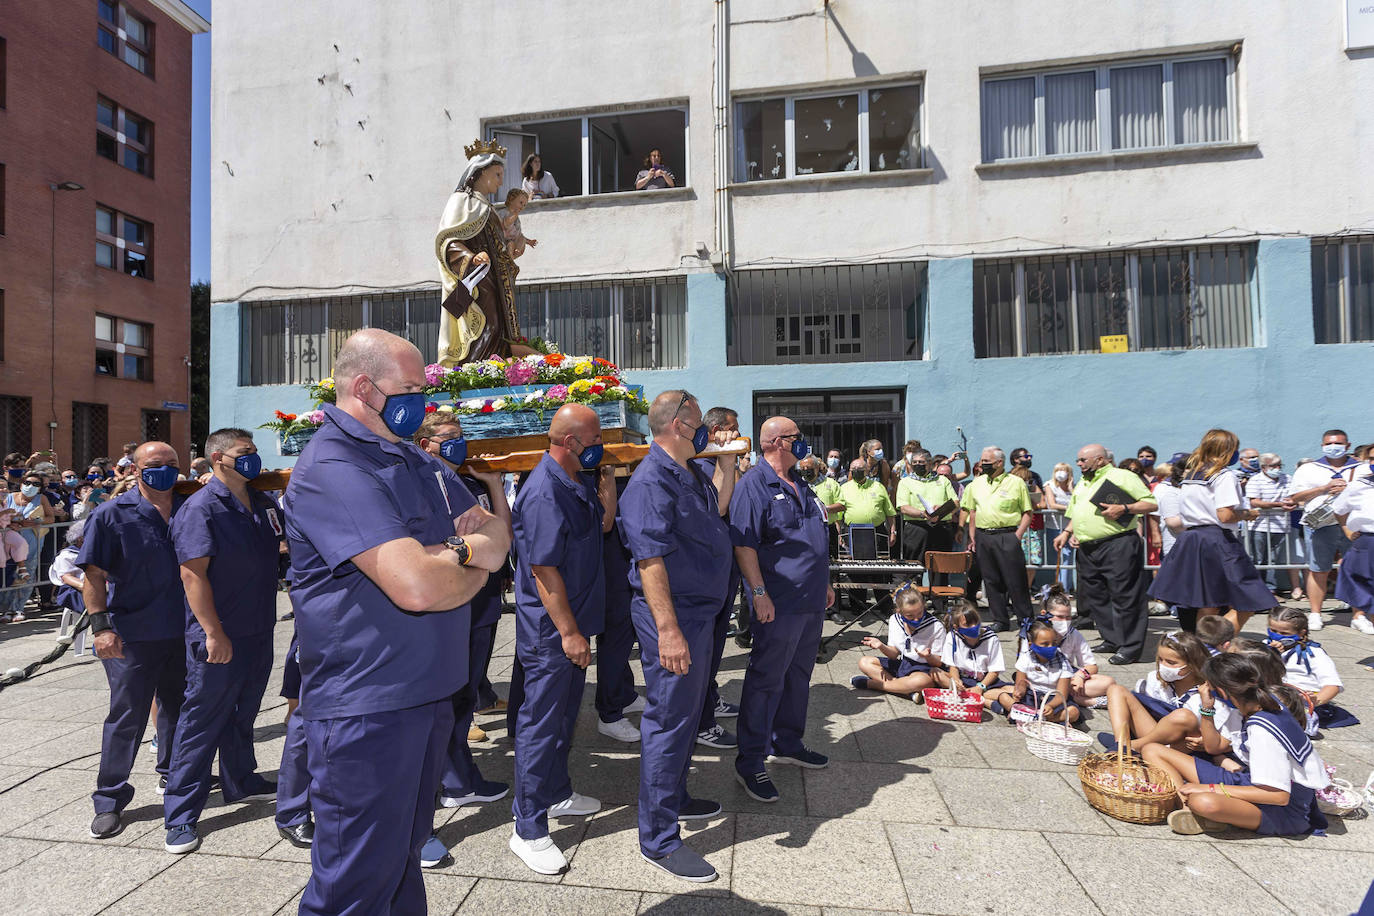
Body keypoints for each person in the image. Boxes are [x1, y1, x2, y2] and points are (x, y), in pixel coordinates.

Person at [283, 329, 511, 916]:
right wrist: (467, 556)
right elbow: (416, 586)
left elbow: (495, 534)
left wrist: (462, 557)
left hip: (428, 692)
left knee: (403, 861)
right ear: (364, 387)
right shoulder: (334, 466)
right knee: (355, 885)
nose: (423, 403)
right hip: (369, 707)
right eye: (411, 389)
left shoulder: (412, 457)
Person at [618, 390, 731, 883]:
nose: (707, 426)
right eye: (698, 419)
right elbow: (650, 561)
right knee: (668, 720)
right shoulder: (649, 481)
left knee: (685, 717)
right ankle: (659, 838)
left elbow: (719, 511)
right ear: (679, 425)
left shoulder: (691, 472)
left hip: (700, 614)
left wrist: (725, 462)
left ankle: (677, 797)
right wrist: (668, 632)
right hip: (675, 618)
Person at [506, 404, 617, 875]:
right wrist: (569, 632)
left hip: (576, 625)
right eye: (594, 440)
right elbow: (542, 567)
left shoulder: (577, 480)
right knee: (541, 724)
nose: (600, 447)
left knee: (565, 716)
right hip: (553, 632)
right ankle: (527, 828)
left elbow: (604, 527)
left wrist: (607, 479)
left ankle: (554, 794)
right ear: (570, 442)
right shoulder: (545, 490)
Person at [161, 429, 282, 854]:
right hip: (220, 633)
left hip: (258, 627)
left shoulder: (262, 502)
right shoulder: (202, 508)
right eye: (243, 453)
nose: (252, 459)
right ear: (217, 459)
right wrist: (213, 632)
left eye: (253, 451)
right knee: (201, 723)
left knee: (243, 712)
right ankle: (179, 814)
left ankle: (241, 779)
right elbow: (192, 575)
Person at [412, 412, 513, 853]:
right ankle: (427, 811)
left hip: (482, 600)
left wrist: (491, 484)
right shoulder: (420, 483)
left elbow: (502, 532)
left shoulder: (465, 483)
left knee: (466, 694)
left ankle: (460, 778)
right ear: (425, 443)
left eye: (460, 437)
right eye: (448, 438)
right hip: (450, 601)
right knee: (438, 706)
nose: (457, 444)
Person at [78, 442, 188, 840]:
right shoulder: (111, 514)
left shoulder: (189, 504)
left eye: (171, 465)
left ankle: (173, 775)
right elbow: (93, 574)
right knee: (127, 717)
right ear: (136, 469)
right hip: (132, 634)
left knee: (178, 709)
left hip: (183, 629)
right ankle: (109, 799)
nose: (164, 471)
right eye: (154, 465)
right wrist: (101, 627)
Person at [730, 416, 834, 804]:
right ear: (776, 442)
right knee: (765, 680)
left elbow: (813, 536)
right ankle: (751, 760)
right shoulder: (753, 485)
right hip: (778, 601)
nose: (803, 442)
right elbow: (744, 545)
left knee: (798, 676)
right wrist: (758, 593)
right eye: (796, 437)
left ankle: (787, 742)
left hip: (809, 601)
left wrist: (824, 582)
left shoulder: (801, 484)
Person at [1145, 654, 1329, 837]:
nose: (1203, 688)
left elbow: (1278, 796)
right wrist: (1206, 708)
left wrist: (1209, 788)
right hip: (1249, 779)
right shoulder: (1257, 704)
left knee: (1203, 802)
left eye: (1208, 685)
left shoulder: (1262, 729)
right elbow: (1214, 748)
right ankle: (1186, 809)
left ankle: (1199, 809)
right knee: (1152, 750)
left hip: (1285, 809)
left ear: (1222, 693)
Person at [1149, 429, 1272, 633]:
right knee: (1251, 597)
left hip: (1191, 538)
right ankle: (1211, 642)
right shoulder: (1223, 475)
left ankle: (1202, 646)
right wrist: (1246, 514)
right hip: (1216, 539)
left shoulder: (1191, 474)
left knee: (1207, 601)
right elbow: (1224, 515)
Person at [1054, 444, 1156, 665]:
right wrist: (1068, 531)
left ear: (1099, 460)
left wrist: (1125, 509)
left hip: (1117, 543)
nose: (1078, 464)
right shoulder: (1083, 482)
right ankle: (1112, 638)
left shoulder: (1122, 476)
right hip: (1088, 548)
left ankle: (1130, 647)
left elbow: (1150, 503)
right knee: (1096, 596)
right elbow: (1077, 512)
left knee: (1125, 597)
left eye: (1082, 460)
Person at [436, 138, 534, 366]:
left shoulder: (488, 208)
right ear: (480, 173)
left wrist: (509, 257)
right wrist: (470, 258)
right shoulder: (461, 202)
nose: (501, 182)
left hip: (493, 280)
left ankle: (493, 367)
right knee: (484, 327)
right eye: (497, 174)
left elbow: (495, 245)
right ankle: (478, 369)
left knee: (497, 327)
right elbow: (447, 242)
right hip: (475, 280)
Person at [691, 406, 743, 751]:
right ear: (717, 430)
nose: (739, 434)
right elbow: (718, 508)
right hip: (707, 570)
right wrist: (726, 459)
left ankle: (710, 700)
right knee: (706, 649)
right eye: (734, 429)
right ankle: (702, 721)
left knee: (717, 644)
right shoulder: (702, 464)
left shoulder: (724, 461)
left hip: (725, 567)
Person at [1101, 630, 1237, 754]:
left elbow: (1222, 735)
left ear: (1192, 664)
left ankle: (1127, 748)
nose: (1163, 666)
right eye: (1160, 659)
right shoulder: (1156, 680)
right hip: (1155, 736)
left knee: (1183, 716)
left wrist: (1204, 740)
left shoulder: (1208, 692)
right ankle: (1122, 744)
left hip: (1183, 746)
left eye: (1171, 662)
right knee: (1116, 689)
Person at [1289, 429, 1361, 632]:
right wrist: (1324, 488)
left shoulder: (1361, 468)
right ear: (1322, 446)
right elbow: (1296, 497)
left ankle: (1359, 614)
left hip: (1352, 523)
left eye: (1338, 443)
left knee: (1356, 569)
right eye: (1329, 444)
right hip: (1321, 524)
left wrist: (1348, 490)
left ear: (1347, 445)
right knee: (1318, 570)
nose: (1334, 447)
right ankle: (1315, 613)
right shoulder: (1309, 469)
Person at [959, 447, 1033, 632]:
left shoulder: (1016, 483)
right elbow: (972, 511)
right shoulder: (976, 484)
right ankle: (1000, 620)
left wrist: (1017, 536)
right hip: (984, 536)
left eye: (987, 461)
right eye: (982, 461)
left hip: (1007, 535)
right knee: (991, 581)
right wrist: (973, 537)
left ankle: (1026, 620)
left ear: (999, 463)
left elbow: (1027, 512)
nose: (983, 464)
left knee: (1015, 580)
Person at [1266, 606, 1357, 732]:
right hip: (1272, 694)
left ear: (1301, 633)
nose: (1277, 636)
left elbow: (1333, 685)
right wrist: (1271, 655)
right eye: (1273, 631)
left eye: (1284, 633)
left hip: (1302, 701)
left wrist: (1315, 700)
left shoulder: (1314, 653)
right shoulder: (1265, 646)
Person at [851, 586, 945, 698]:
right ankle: (905, 689)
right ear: (899, 611)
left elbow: (938, 663)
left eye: (920, 613)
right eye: (910, 616)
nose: (916, 619)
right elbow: (894, 654)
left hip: (924, 669)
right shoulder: (895, 620)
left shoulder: (936, 626)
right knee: (864, 662)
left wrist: (928, 656)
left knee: (922, 681)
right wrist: (881, 646)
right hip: (904, 664)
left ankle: (873, 684)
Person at [985, 619, 1079, 725]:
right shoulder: (1026, 658)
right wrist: (1019, 692)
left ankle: (1032, 718)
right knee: (1003, 697)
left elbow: (1061, 694)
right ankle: (1040, 718)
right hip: (1031, 696)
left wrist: (1051, 706)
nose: (1051, 647)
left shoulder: (1063, 663)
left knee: (1073, 712)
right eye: (1045, 644)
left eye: (1054, 643)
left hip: (1053, 698)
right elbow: (1021, 683)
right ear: (1031, 645)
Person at [1036, 586, 1114, 705]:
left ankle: (1069, 697)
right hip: (1043, 677)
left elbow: (1091, 665)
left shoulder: (1073, 634)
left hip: (1069, 677)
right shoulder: (1035, 633)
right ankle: (1088, 701)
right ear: (1044, 613)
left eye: (1068, 617)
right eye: (1060, 617)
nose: (1065, 621)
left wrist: (1080, 676)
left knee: (1108, 682)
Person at [1245, 453, 1303, 601]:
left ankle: (1270, 590)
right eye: (1273, 466)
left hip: (1282, 527)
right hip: (1260, 526)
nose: (1277, 468)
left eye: (1279, 465)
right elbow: (1255, 502)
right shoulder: (1255, 480)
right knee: (1257, 560)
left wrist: (1293, 502)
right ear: (1264, 467)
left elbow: (1295, 497)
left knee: (1274, 560)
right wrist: (1278, 505)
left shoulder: (1287, 479)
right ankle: (1256, 592)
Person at [894, 449, 959, 580]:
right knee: (913, 570)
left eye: (922, 462)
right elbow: (903, 507)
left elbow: (956, 503)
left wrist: (942, 509)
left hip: (941, 528)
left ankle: (939, 600)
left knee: (940, 571)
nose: (918, 464)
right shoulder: (905, 482)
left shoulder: (942, 480)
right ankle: (914, 599)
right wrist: (923, 514)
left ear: (930, 463)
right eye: (915, 462)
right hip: (916, 529)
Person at [2, 471, 54, 622]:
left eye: (36, 484)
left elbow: (51, 518)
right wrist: (11, 522)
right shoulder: (9, 497)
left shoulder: (41, 499)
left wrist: (37, 521)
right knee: (9, 574)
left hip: (31, 542)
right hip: (9, 543)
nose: (31, 486)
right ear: (22, 483)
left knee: (26, 575)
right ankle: (6, 610)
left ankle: (18, 608)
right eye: (28, 483)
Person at [936, 601, 1007, 704]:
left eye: (976, 622)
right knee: (935, 673)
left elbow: (995, 670)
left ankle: (980, 697)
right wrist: (956, 680)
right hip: (963, 681)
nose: (974, 626)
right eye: (968, 624)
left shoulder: (991, 638)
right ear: (956, 627)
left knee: (1011, 690)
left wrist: (981, 687)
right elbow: (953, 666)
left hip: (985, 682)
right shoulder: (952, 637)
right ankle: (986, 700)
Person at [1333, 457, 1374, 634]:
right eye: (1372, 458)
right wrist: (1347, 531)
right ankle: (1359, 616)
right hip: (1368, 540)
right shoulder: (1359, 486)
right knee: (1367, 586)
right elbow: (1339, 509)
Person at [838, 458, 897, 551]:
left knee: (878, 563)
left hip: (876, 532)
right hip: (851, 532)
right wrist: (839, 535)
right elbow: (838, 516)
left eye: (860, 469)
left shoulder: (878, 487)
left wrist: (893, 532)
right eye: (853, 469)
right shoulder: (844, 488)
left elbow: (889, 513)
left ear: (866, 471)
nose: (856, 471)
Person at [801, 455, 844, 558]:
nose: (806, 471)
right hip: (805, 530)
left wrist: (824, 509)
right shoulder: (798, 485)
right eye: (803, 469)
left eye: (809, 468)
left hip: (828, 530)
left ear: (816, 468)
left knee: (831, 564)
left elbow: (842, 505)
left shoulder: (831, 484)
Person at [1042, 462, 1075, 593]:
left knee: (1068, 558)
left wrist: (1072, 489)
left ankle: (1065, 588)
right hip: (1054, 526)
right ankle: (1061, 588)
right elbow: (1052, 504)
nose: (1061, 473)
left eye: (1064, 470)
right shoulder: (1049, 485)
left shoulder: (1074, 487)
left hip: (1070, 527)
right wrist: (1070, 508)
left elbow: (1079, 501)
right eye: (1058, 470)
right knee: (1059, 558)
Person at [502, 188, 537, 260]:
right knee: (510, 244)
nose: (522, 207)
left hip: (514, 241)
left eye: (524, 205)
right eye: (521, 203)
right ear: (511, 200)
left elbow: (518, 234)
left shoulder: (516, 218)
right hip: (504, 241)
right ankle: (511, 260)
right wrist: (515, 214)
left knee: (522, 239)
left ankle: (515, 252)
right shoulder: (504, 212)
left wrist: (529, 241)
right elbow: (505, 224)